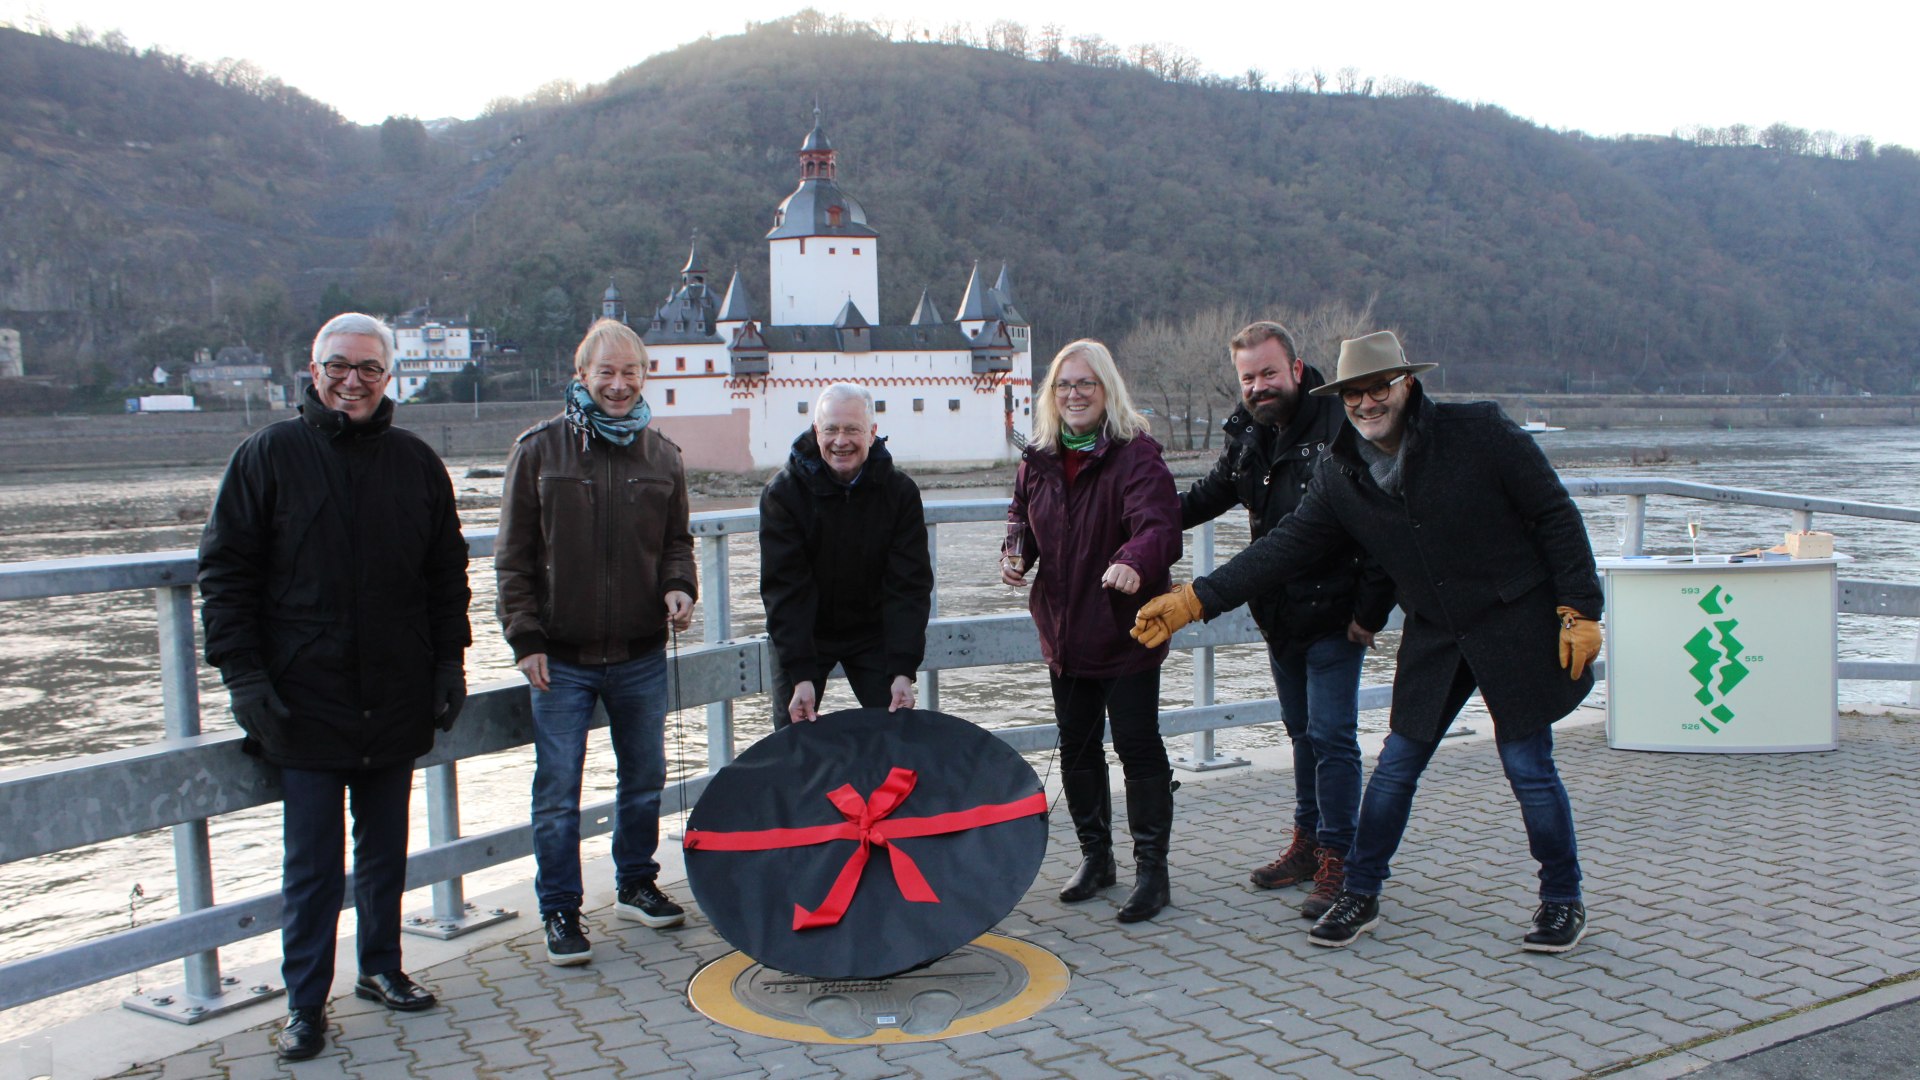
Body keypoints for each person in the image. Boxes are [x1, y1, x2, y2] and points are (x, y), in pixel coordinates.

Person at [1134, 330, 1602, 953]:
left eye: (1378, 387)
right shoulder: (1341, 471)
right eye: (1353, 394)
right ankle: (1360, 891)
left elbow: (1554, 513)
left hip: (1510, 620)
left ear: (1407, 383)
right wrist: (1195, 600)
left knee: (1528, 766)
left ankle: (1562, 900)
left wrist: (1579, 606)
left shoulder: (1479, 432)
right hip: (1436, 630)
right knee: (1397, 765)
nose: (1366, 403)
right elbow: (1283, 546)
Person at [199, 312, 471, 1061]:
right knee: (313, 866)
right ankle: (304, 1004)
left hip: (397, 688)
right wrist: (244, 678)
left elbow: (446, 574)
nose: (353, 381)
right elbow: (225, 577)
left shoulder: (416, 463)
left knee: (385, 850)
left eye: (369, 368)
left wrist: (449, 663)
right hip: (303, 697)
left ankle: (382, 967)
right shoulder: (267, 456)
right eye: (339, 366)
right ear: (313, 371)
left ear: (390, 377)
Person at [495, 318, 697, 968]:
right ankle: (560, 908)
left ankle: (636, 883)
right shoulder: (538, 451)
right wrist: (525, 637)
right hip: (560, 657)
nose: (617, 384)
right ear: (581, 375)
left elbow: (677, 543)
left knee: (645, 778)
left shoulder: (663, 456)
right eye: (605, 372)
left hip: (640, 652)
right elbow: (512, 558)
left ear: (644, 377)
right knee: (558, 792)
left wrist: (679, 587)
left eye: (629, 372)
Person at [1181, 321, 1394, 919]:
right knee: (1302, 734)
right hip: (1279, 615)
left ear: (1297, 370)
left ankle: (1340, 859)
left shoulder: (1341, 428)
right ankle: (1308, 843)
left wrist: (1369, 612)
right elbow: (1206, 497)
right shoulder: (1248, 435)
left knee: (1332, 738)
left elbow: (1381, 526)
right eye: (1248, 377)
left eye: (1269, 373)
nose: (1259, 386)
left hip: (1336, 614)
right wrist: (1135, 526)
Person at [1003, 339, 1182, 923]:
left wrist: (1133, 560)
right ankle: (1096, 858)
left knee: (1137, 746)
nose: (1074, 394)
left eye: (1086, 383)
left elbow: (1159, 526)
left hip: (1125, 631)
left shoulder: (1136, 454)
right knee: (1077, 747)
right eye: (1064, 385)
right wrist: (1015, 553)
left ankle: (1152, 872)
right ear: (1050, 394)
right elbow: (1021, 516)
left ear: (1107, 390)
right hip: (1064, 632)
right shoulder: (1038, 458)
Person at [759, 382, 933, 727]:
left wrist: (903, 668)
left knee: (896, 731)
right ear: (816, 432)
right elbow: (785, 588)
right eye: (831, 430)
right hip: (806, 631)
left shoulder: (899, 493)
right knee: (792, 737)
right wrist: (800, 674)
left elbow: (908, 585)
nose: (841, 441)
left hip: (873, 630)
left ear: (872, 433)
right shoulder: (783, 494)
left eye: (852, 430)